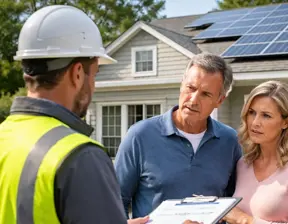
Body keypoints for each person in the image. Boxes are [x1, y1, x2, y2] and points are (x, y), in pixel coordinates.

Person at [0, 5, 148, 224]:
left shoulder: (5, 136)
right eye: (94, 74)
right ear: (78, 73)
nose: (94, 85)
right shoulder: (80, 156)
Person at [114, 53, 243, 219]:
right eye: (191, 88)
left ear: (220, 100)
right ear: (181, 85)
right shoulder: (139, 135)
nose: (194, 100)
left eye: (205, 94)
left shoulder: (230, 141)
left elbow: (234, 203)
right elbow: (114, 201)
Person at [220, 80, 288, 224]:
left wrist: (245, 220)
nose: (255, 122)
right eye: (252, 113)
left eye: (266, 115)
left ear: (286, 122)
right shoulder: (244, 164)